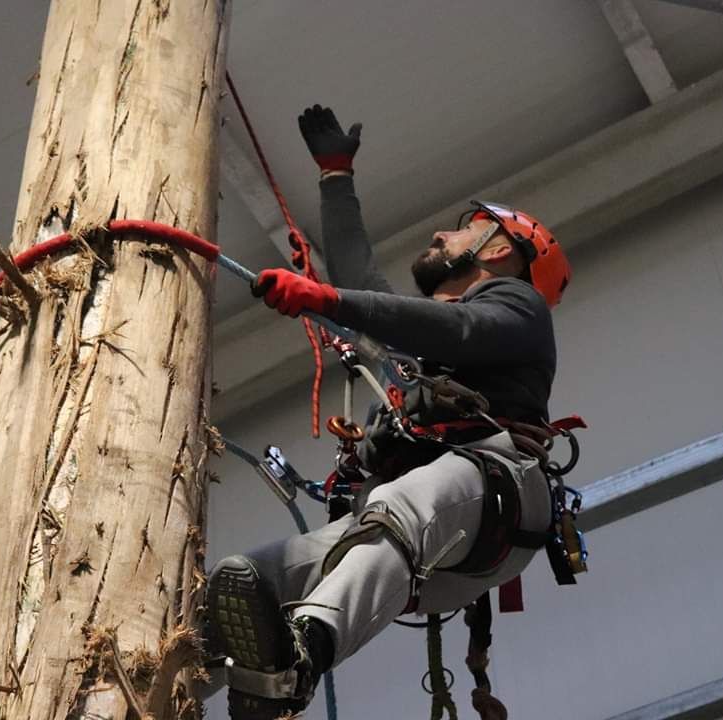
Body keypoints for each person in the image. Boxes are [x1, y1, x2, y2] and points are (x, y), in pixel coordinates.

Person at [205, 105, 571, 719]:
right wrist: (335, 178)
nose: (440, 236)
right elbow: (363, 280)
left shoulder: (517, 306)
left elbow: (453, 328)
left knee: (402, 503)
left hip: (495, 501)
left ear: (502, 247)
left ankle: (299, 660)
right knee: (243, 582)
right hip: (420, 545)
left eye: (462, 229)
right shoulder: (421, 354)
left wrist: (331, 300)